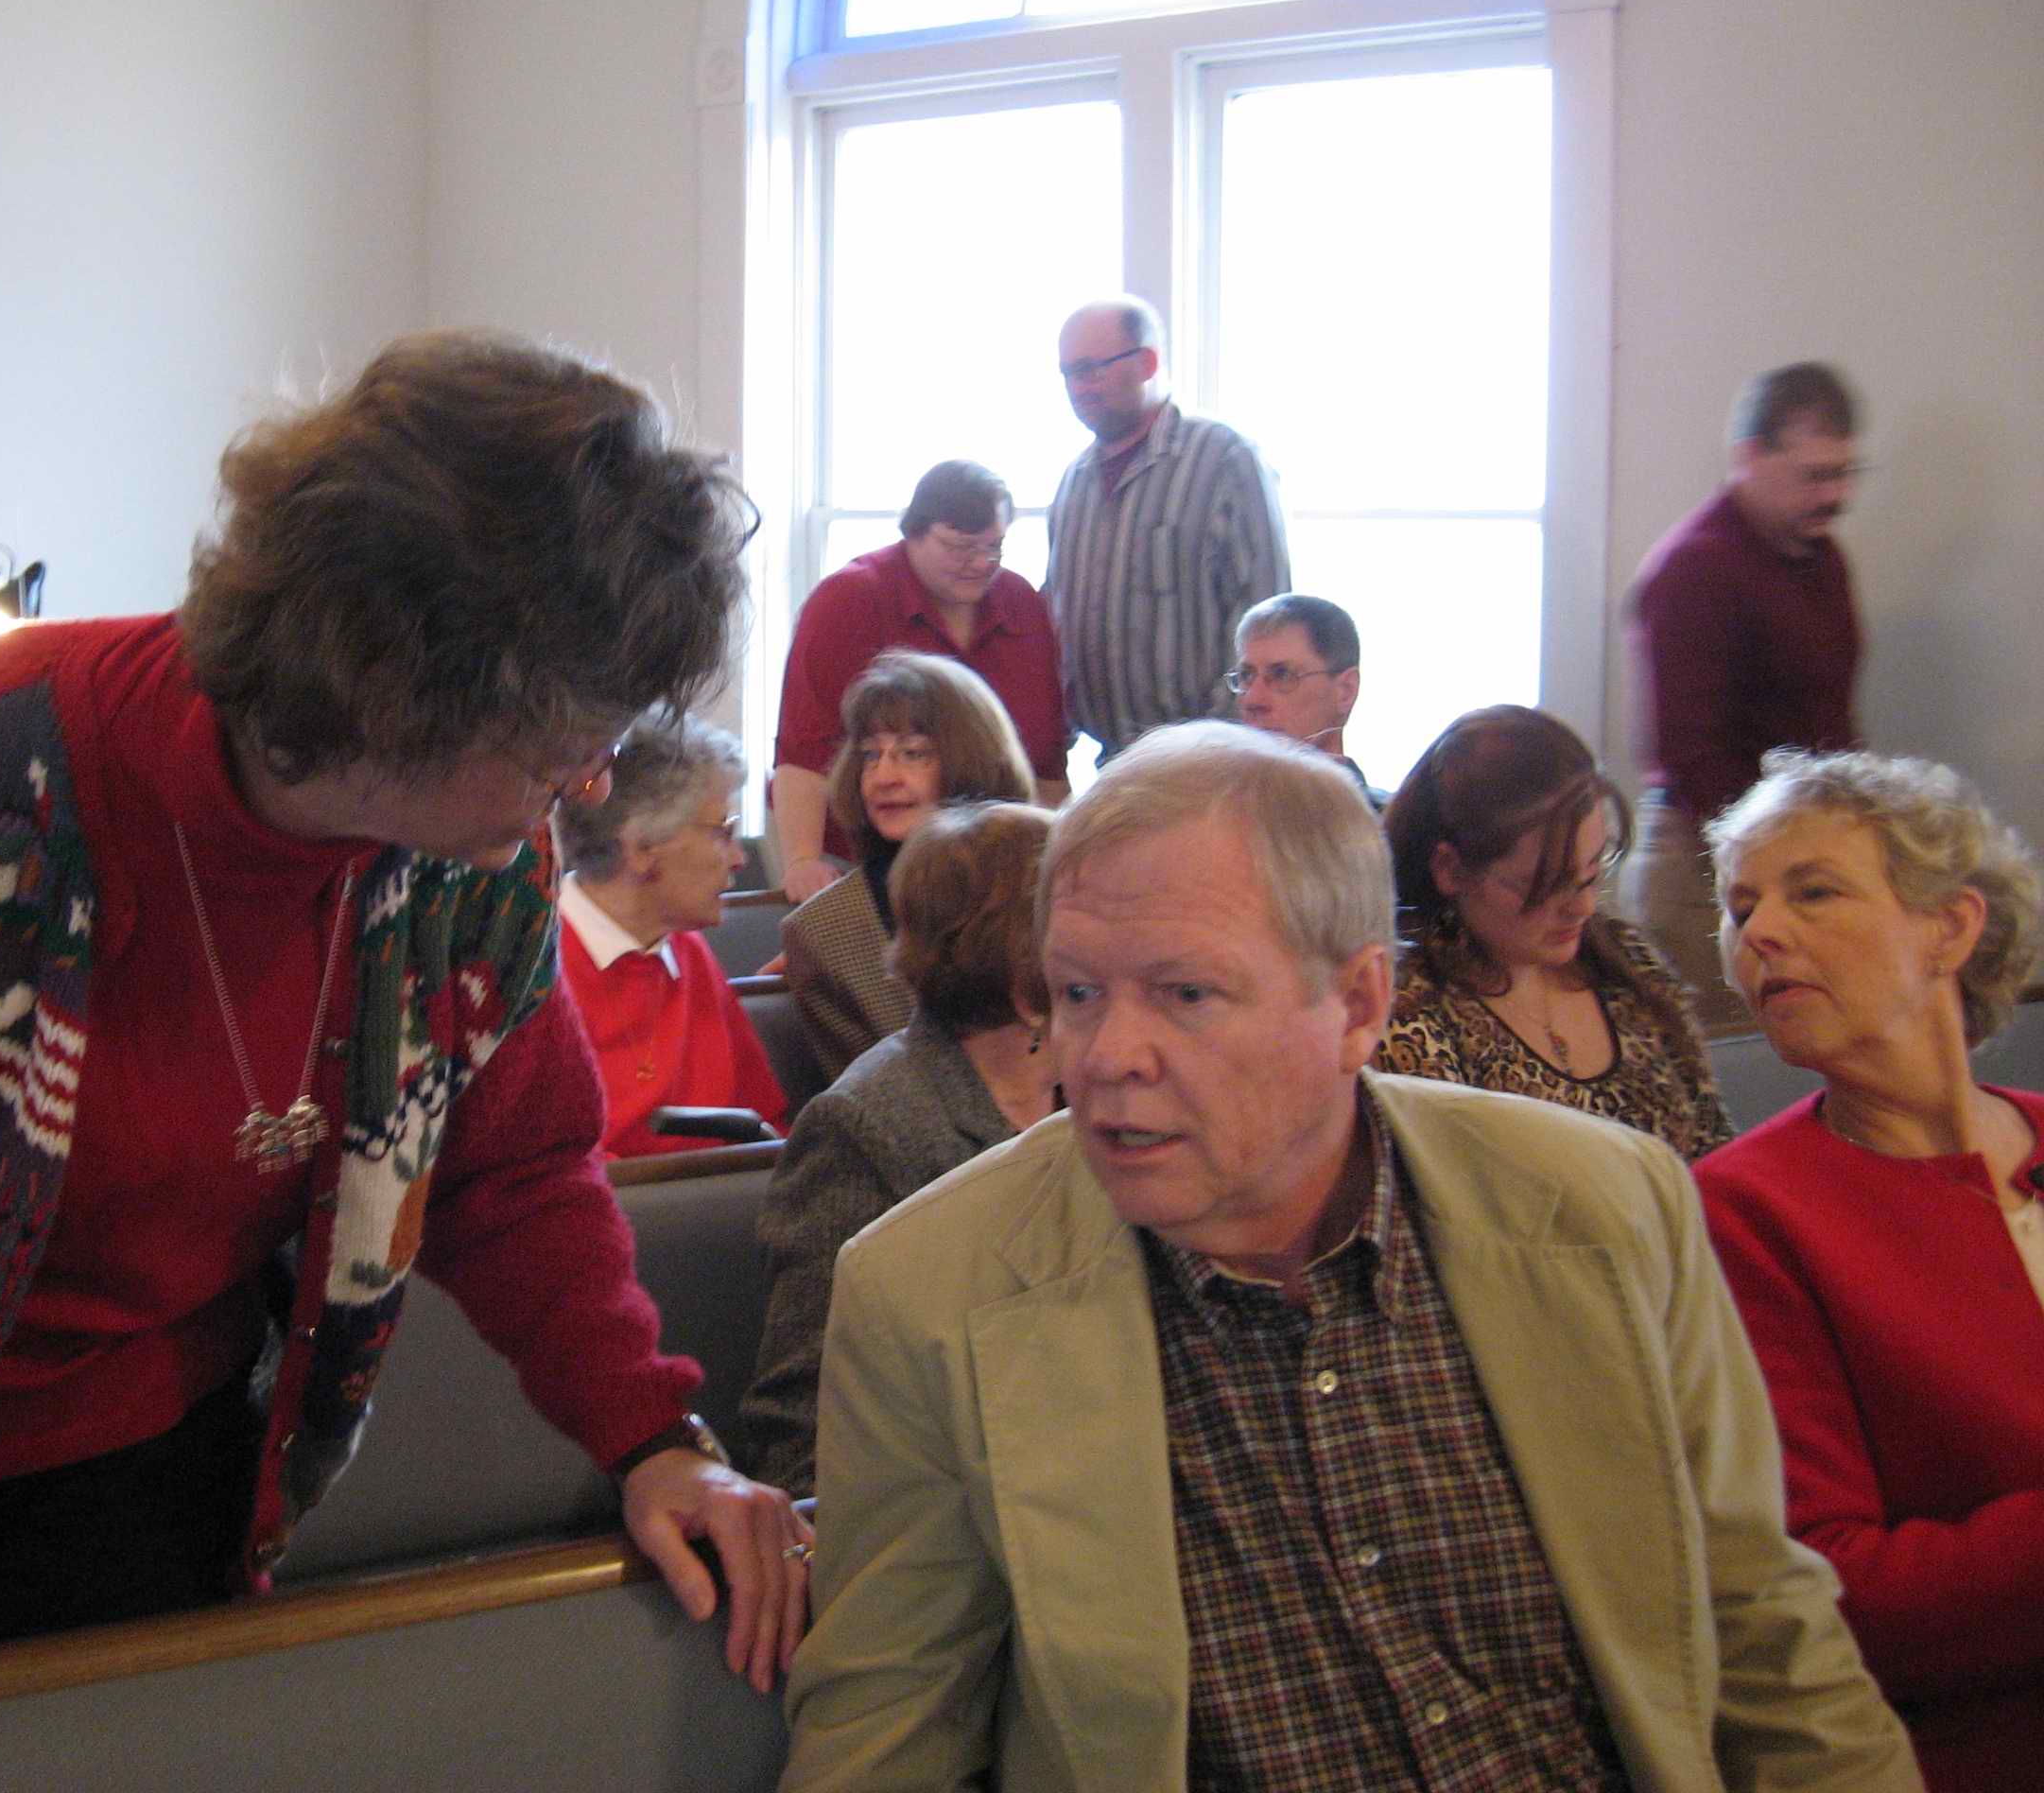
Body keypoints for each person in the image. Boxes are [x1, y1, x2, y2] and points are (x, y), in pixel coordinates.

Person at [0, 332, 811, 1793]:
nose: (593, 783)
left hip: (147, 1491)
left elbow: (517, 1174)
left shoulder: (468, 862)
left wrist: (655, 1437)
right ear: (401, 683)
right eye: (563, 737)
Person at [782, 720, 1919, 1792]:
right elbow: (883, 1745)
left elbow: (1765, 1638)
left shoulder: (1602, 1208)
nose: (1107, 1054)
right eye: (1078, 993)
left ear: (1358, 1003)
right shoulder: (930, 1295)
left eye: (1184, 993)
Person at [1695, 749, 2044, 1793]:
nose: (1758, 933)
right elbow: (1829, 1589)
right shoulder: (1744, 1211)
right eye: (1740, 907)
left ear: (1950, 927)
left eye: (1813, 892)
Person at [739, 800, 1056, 1495]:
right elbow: (805, 1429)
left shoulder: (1093, 1101)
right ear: (1030, 968)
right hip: (947, 1504)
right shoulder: (866, 1125)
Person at [1374, 705, 1733, 1159]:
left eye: (1591, 873)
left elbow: (1714, 1146)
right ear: (1450, 869)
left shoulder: (1626, 957)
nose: (1582, 908)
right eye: (1544, 886)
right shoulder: (1410, 1012)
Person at [1624, 361, 1865, 1029]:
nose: (1835, 495)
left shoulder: (1821, 558)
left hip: (1792, 855)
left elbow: (1832, 716)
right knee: (1735, 1068)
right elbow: (1693, 757)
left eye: (1845, 473)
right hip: (1709, 869)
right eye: (1815, 475)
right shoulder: (1694, 569)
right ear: (1749, 458)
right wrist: (1787, 864)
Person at [771, 461, 1068, 903]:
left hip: (991, 859)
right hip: (859, 857)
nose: (980, 563)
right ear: (914, 532)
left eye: (994, 547)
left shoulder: (1020, 602)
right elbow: (803, 749)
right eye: (960, 548)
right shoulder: (849, 599)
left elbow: (1046, 756)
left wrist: (1056, 860)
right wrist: (802, 861)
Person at [1046, 296, 1288, 761]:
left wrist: (1220, 742)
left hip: (1212, 762)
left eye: (1091, 369)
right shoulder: (1073, 483)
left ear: (1147, 363)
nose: (1079, 388)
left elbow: (1267, 614)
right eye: (1069, 374)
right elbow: (1059, 619)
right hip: (1112, 764)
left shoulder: (1224, 459)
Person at [780, 651, 1033, 1083]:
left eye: (913, 753)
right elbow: (878, 1097)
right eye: (870, 756)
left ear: (974, 760)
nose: (883, 778)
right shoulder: (825, 931)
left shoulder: (1046, 886)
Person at [554, 707, 788, 1160]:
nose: (740, 858)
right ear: (641, 849)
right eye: (723, 832)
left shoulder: (686, 949)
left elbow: (767, 1127)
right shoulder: (537, 972)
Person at [1227, 592, 1383, 809]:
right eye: (1246, 676)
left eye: (1282, 675)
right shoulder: (1209, 818)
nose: (1253, 699)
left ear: (1345, 691)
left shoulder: (1390, 824)